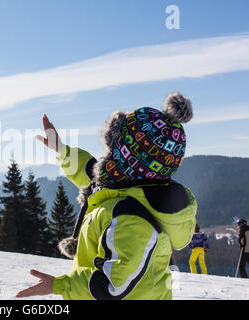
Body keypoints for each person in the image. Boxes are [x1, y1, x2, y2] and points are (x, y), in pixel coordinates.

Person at [16, 92, 197, 300]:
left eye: (112, 147)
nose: (106, 152)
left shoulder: (132, 218)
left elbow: (112, 286)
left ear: (128, 157)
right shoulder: (125, 186)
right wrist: (61, 149)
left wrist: (60, 286)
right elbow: (88, 170)